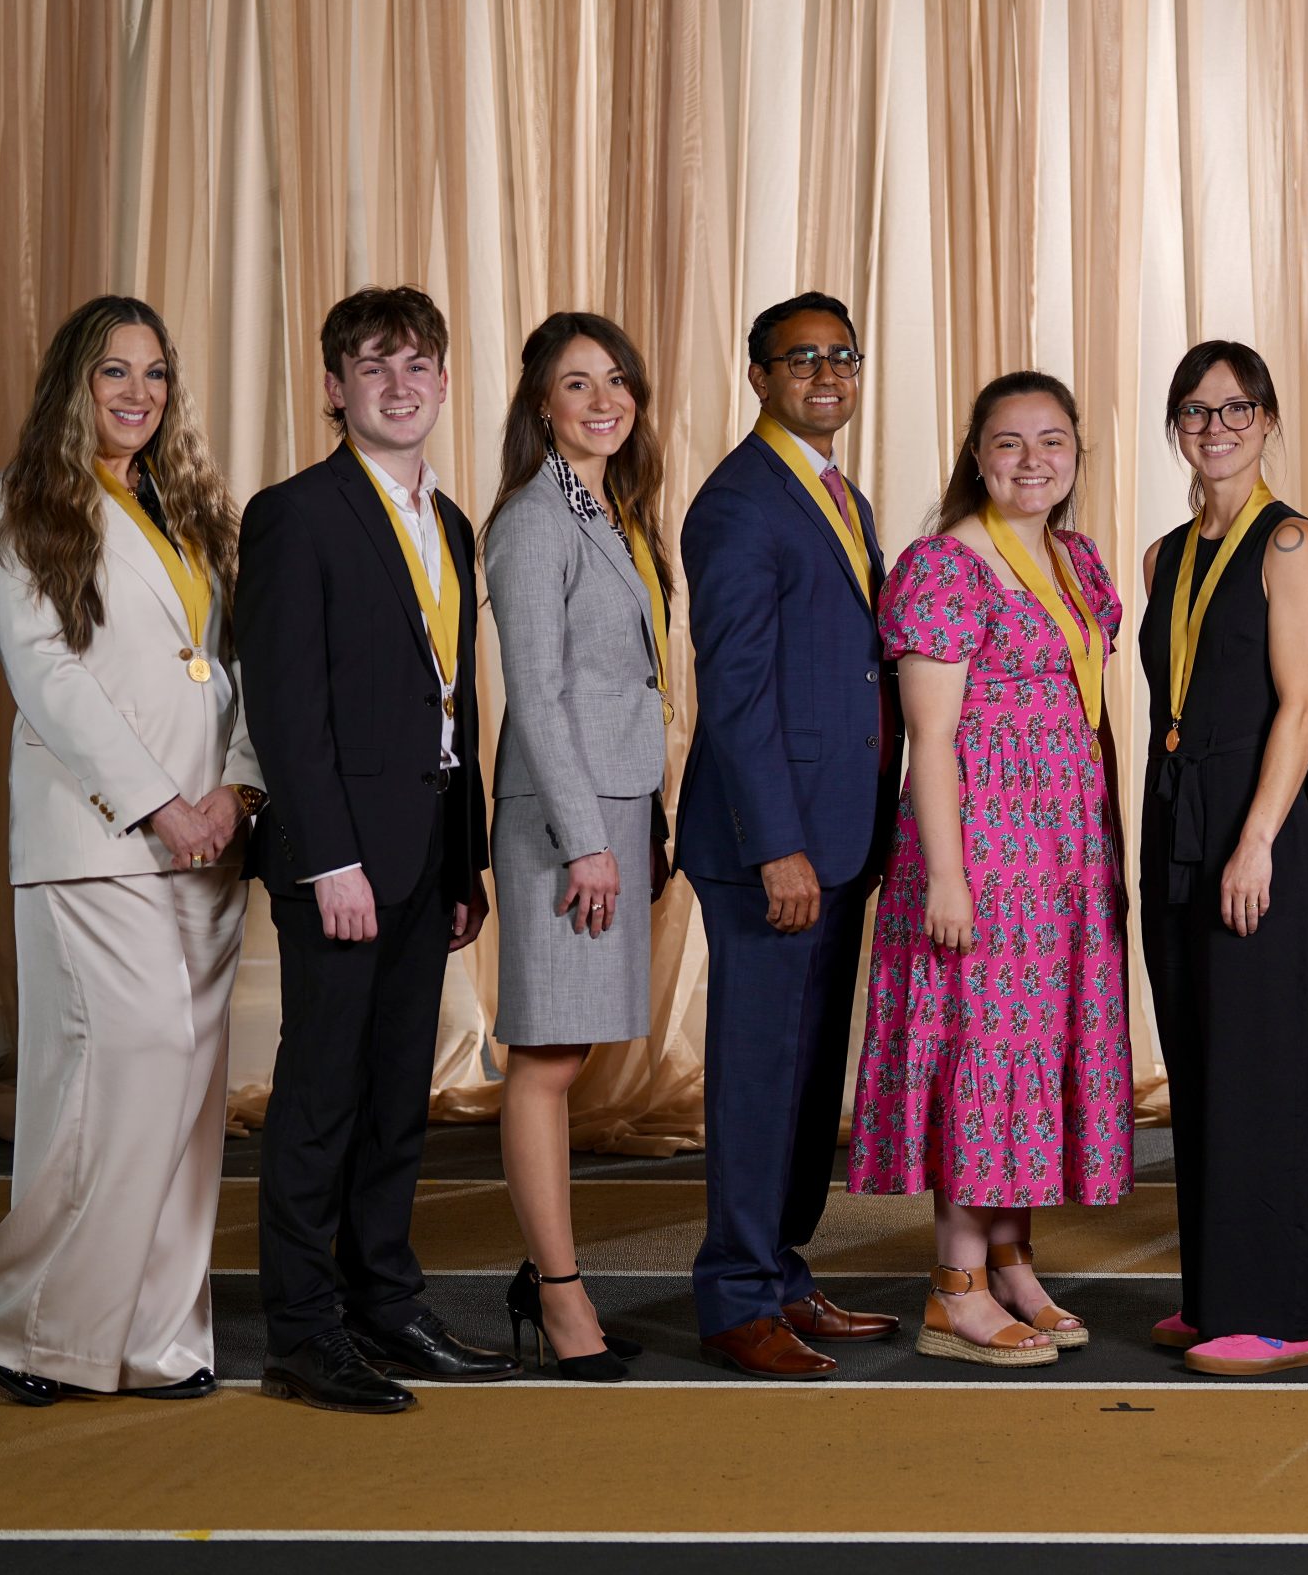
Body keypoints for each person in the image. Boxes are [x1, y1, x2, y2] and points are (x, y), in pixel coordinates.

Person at [0, 295, 259, 1406]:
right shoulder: (17, 503)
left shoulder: (194, 509)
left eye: (156, 374)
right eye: (113, 373)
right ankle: (35, 1328)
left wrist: (236, 786)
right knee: (113, 1076)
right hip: (98, 838)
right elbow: (50, 676)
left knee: (185, 1097)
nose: (138, 394)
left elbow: (229, 667)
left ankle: (155, 1339)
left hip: (210, 845)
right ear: (72, 385)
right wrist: (156, 804)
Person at [236, 285, 512, 1412]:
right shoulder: (294, 514)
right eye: (372, 366)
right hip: (340, 867)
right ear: (335, 387)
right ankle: (304, 1331)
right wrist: (327, 859)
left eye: (416, 367)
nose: (398, 386)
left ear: (444, 383)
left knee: (400, 1099)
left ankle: (384, 1305)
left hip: (421, 859)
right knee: (320, 1103)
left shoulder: (449, 524)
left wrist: (463, 864)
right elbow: (287, 710)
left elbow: (455, 704)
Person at [851, 371, 1131, 1369]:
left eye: (1052, 441)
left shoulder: (1073, 559)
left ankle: (1010, 1259)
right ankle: (954, 1287)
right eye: (1008, 443)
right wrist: (947, 877)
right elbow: (930, 739)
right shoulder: (944, 566)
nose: (1031, 462)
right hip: (982, 849)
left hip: (1066, 851)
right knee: (982, 1055)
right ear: (975, 454)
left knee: (1033, 1055)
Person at [677, 291, 905, 1378]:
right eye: (799, 358)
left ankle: (780, 1271)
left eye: (840, 356)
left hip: (836, 838)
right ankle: (731, 1297)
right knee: (762, 1073)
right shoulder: (738, 503)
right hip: (775, 849)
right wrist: (777, 846)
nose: (824, 373)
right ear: (757, 375)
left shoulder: (836, 494)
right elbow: (734, 692)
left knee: (811, 1076)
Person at [483, 312, 678, 1384]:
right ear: (540, 406)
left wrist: (634, 820)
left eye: (617, 380)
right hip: (565, 822)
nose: (604, 400)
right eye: (576, 384)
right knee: (548, 1056)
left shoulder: (616, 510)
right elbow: (538, 692)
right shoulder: (532, 520)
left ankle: (547, 1277)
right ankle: (559, 1300)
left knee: (571, 1054)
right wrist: (586, 841)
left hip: (611, 808)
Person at [1140, 340, 1308, 1377]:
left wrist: (1256, 840)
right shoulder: (1164, 555)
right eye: (1195, 410)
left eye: (1235, 409)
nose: (1214, 428)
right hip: (1173, 817)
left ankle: (1281, 1312)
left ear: (1267, 420)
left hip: (1251, 824)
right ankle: (1214, 1293)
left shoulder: (1292, 544)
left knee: (1259, 1069)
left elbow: (1300, 707)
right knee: (1202, 1065)